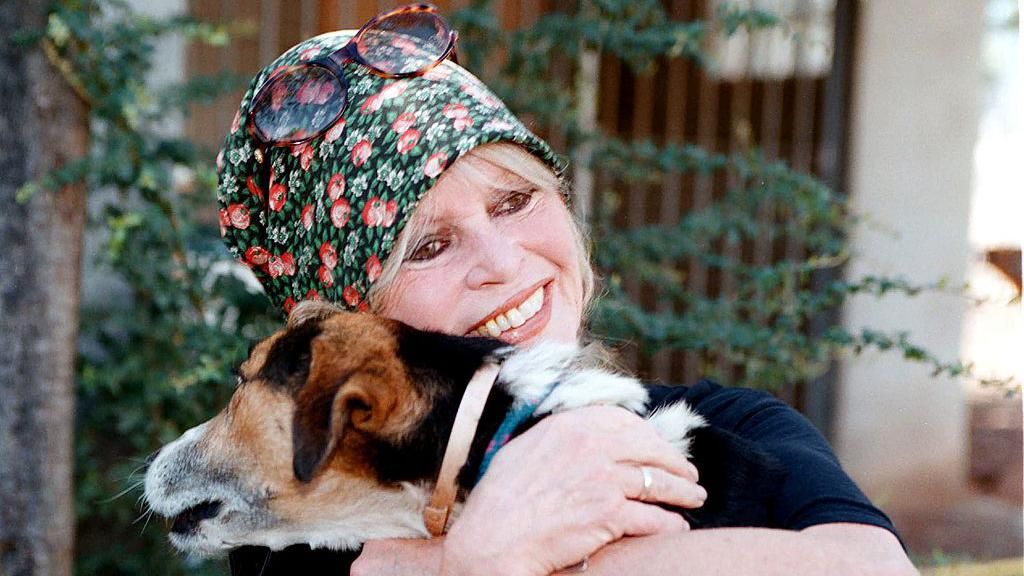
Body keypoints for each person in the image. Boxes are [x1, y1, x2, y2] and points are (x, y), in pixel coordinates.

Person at [216, 6, 917, 576]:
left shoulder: (732, 428)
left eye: (514, 201)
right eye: (428, 246)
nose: (502, 261)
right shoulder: (307, 539)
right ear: (354, 333)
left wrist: (480, 561)